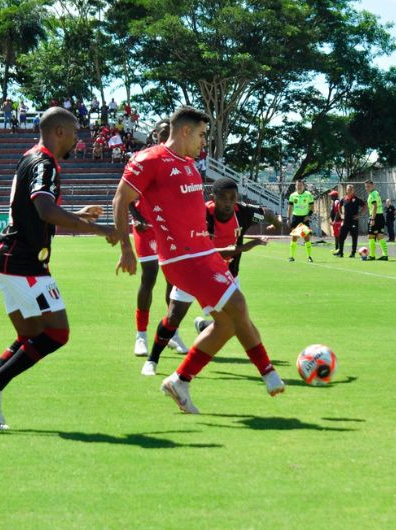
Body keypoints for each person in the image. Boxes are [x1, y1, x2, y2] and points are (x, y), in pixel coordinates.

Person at [113, 106, 285, 414]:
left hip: (203, 251)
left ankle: (181, 380)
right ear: (185, 131)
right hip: (182, 257)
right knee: (238, 306)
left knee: (227, 323)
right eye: (202, 135)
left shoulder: (190, 164)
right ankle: (268, 372)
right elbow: (120, 199)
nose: (204, 142)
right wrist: (126, 248)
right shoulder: (149, 159)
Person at [0, 107, 119, 431]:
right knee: (57, 333)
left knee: (31, 335)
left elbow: (34, 210)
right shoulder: (44, 162)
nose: (79, 139)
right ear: (59, 131)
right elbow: (45, 210)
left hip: (7, 259)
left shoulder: (31, 157)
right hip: (24, 263)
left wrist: (77, 214)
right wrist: (100, 229)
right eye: (76, 132)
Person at [140, 177, 282, 376]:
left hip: (226, 276)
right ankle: (152, 360)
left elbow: (265, 214)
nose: (228, 202)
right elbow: (212, 253)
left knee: (236, 322)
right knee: (173, 317)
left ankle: (205, 328)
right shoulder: (201, 216)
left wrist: (276, 223)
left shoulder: (244, 214)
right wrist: (247, 246)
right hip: (194, 271)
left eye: (232, 198)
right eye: (223, 198)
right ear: (213, 198)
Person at [129, 119, 187, 357]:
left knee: (173, 281)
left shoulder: (180, 161)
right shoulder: (144, 158)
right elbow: (127, 195)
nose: (165, 134)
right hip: (146, 228)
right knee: (149, 277)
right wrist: (137, 218)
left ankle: (171, 332)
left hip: (169, 229)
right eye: (162, 131)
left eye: (169, 131)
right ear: (155, 134)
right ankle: (140, 336)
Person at [287, 179, 314, 262]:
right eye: (297, 185)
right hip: (295, 218)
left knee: (306, 238)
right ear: (295, 186)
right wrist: (288, 218)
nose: (298, 187)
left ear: (303, 186)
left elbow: (312, 207)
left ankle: (309, 256)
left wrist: (308, 215)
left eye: (300, 185)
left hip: (304, 219)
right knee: (294, 237)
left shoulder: (308, 195)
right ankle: (291, 256)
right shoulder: (292, 195)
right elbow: (290, 208)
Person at [334, 184, 365, 257]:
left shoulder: (357, 199)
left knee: (354, 237)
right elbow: (339, 206)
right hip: (345, 221)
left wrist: (359, 215)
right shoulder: (344, 199)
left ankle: (353, 253)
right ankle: (340, 252)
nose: (349, 190)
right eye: (348, 189)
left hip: (354, 222)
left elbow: (364, 206)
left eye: (351, 189)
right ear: (346, 190)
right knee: (341, 237)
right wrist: (341, 214)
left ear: (353, 190)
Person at [364, 180, 388, 260]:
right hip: (380, 216)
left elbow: (374, 206)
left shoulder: (372, 194)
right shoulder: (376, 193)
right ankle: (385, 255)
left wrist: (373, 219)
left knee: (371, 236)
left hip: (375, 217)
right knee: (380, 236)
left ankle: (372, 256)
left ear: (373, 186)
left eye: (368, 186)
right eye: (366, 186)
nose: (367, 188)